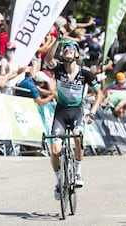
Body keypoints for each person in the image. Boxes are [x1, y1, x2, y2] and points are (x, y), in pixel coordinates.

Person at [45, 39, 102, 200]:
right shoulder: (58, 69)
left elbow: (99, 93)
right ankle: (58, 183)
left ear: (77, 54)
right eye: (64, 49)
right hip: (61, 112)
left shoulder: (85, 73)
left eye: (70, 48)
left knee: (78, 136)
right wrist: (56, 41)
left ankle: (77, 172)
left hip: (77, 111)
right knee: (55, 151)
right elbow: (48, 59)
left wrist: (92, 113)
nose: (66, 50)